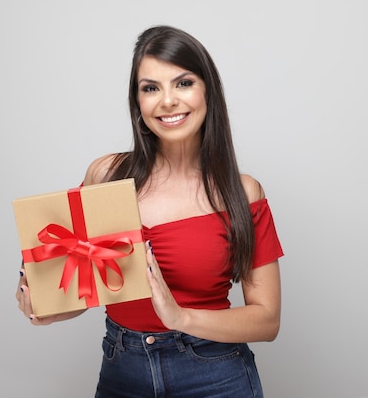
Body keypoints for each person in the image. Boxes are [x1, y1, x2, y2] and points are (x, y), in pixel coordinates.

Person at [16, 25, 284, 398]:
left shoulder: (242, 192)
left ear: (208, 91)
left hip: (215, 376)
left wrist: (180, 317)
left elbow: (267, 320)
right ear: (137, 102)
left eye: (183, 83)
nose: (168, 101)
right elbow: (81, 292)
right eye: (151, 88)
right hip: (122, 371)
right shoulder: (107, 175)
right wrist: (41, 305)